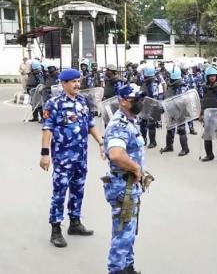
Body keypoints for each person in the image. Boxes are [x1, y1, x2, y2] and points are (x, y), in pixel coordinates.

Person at [39, 69, 104, 248]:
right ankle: (56, 229)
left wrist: (101, 142)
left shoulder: (83, 101)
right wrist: (45, 154)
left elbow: (90, 124)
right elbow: (47, 128)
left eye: (78, 81)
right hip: (62, 158)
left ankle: (74, 223)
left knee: (78, 189)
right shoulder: (54, 104)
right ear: (63, 83)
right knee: (59, 192)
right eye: (73, 82)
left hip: (81, 157)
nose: (77, 85)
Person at [103, 83, 146, 274]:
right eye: (135, 100)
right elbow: (116, 154)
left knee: (129, 231)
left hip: (129, 184)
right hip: (123, 186)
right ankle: (117, 270)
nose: (139, 103)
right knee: (123, 233)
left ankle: (127, 267)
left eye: (140, 99)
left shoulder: (130, 121)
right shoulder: (119, 125)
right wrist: (136, 168)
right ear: (122, 102)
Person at [200, 66, 217, 164]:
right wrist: (201, 113)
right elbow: (203, 101)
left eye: (214, 76)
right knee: (207, 136)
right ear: (207, 77)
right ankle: (209, 155)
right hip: (208, 115)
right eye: (210, 76)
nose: (212, 77)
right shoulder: (204, 88)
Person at [161, 66, 190, 156]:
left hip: (180, 111)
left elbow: (184, 100)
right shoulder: (170, 83)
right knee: (170, 129)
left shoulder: (182, 85)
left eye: (169, 74)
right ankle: (169, 146)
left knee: (181, 130)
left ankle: (185, 149)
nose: (168, 75)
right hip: (171, 110)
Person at [140, 64, 159, 148]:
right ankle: (143, 139)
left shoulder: (154, 83)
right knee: (142, 123)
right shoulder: (145, 82)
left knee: (151, 124)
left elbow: (154, 96)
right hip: (145, 105)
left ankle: (152, 142)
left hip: (153, 105)